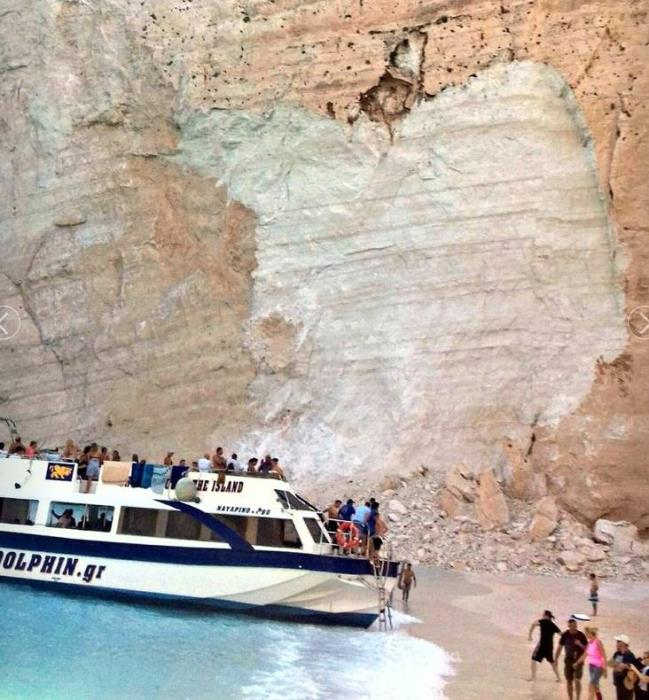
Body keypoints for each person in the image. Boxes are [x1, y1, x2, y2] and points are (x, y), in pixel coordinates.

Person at [556, 617, 588, 700]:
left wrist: (580, 644)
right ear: (569, 626)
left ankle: (578, 698)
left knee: (577, 680)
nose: (575, 627)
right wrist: (556, 659)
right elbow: (559, 647)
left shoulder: (581, 635)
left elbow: (588, 650)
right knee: (569, 681)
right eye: (573, 625)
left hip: (579, 661)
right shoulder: (565, 635)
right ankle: (570, 698)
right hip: (568, 661)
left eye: (575, 625)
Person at [528, 610, 561, 682]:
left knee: (533, 659)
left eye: (543, 615)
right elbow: (561, 634)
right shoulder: (553, 625)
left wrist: (530, 635)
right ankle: (559, 678)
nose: (542, 616)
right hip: (550, 646)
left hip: (542, 645)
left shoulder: (543, 621)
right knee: (551, 662)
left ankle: (533, 677)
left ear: (547, 616)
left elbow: (533, 623)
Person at [575, 627, 607, 700]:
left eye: (587, 633)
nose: (586, 635)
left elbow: (603, 656)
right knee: (596, 687)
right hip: (591, 667)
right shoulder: (589, 643)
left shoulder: (598, 642)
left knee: (591, 685)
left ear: (590, 633)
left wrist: (605, 669)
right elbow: (584, 655)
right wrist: (577, 663)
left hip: (598, 667)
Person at [609, 635, 639, 700]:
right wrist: (620, 665)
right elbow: (610, 663)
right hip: (618, 684)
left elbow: (633, 669)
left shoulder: (629, 655)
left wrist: (621, 666)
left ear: (623, 643)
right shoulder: (617, 653)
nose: (616, 643)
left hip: (626, 686)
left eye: (618, 641)